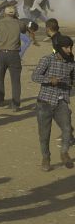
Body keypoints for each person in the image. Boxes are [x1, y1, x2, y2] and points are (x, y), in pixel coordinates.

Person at [31, 35, 75, 171]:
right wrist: (50, 80)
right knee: (44, 134)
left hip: (61, 101)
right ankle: (46, 158)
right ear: (59, 48)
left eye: (71, 47)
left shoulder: (71, 63)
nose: (69, 50)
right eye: (66, 47)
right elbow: (35, 76)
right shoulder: (47, 59)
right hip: (44, 102)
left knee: (67, 129)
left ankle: (64, 153)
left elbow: (73, 80)